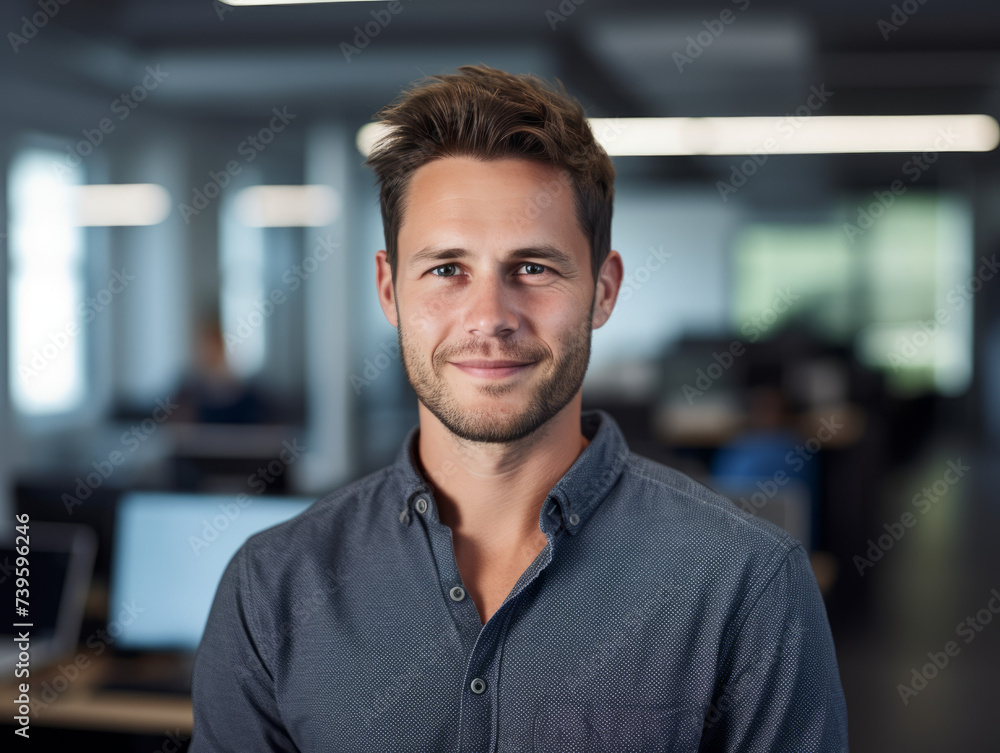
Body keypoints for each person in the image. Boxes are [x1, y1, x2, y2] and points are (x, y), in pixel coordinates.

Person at [191, 64, 848, 752]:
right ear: (389, 290)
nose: (490, 317)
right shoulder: (270, 587)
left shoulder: (745, 584)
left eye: (533, 268)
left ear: (602, 289)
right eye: (447, 269)